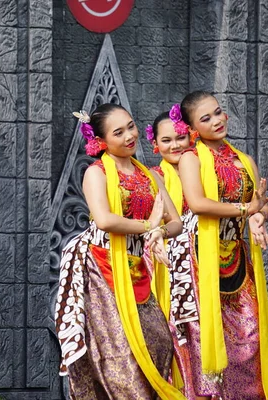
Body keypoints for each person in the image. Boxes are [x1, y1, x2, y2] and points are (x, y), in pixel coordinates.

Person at [54, 103, 185, 399]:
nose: (129, 135)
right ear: (100, 142)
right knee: (120, 357)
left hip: (138, 270)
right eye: (119, 132)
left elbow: (175, 221)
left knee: (158, 343)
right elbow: (104, 220)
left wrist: (159, 231)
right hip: (102, 271)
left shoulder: (151, 177)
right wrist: (147, 224)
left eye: (130, 126)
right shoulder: (95, 173)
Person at [175, 91, 268, 399]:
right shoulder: (190, 159)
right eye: (205, 118)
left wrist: (259, 217)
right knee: (206, 334)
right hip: (201, 257)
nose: (216, 121)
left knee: (250, 333)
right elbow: (197, 203)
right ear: (193, 128)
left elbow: (259, 205)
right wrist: (245, 211)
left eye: (218, 113)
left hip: (236, 254)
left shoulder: (244, 160)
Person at [147, 105, 199, 398]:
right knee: (174, 329)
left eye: (180, 137)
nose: (175, 145)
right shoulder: (155, 176)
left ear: (191, 136)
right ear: (155, 146)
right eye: (166, 140)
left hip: (205, 263)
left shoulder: (205, 169)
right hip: (169, 266)